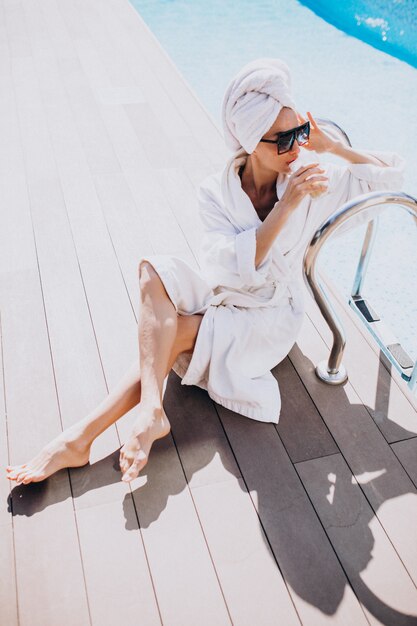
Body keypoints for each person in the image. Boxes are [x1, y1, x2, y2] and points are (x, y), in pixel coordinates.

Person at [6, 58, 405, 486]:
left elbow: (387, 182)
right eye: (284, 138)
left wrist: (332, 149)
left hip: (270, 314)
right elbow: (229, 270)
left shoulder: (310, 180)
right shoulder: (216, 192)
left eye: (301, 133)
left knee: (174, 332)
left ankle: (83, 437)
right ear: (252, 142)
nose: (297, 147)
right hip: (228, 290)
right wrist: (286, 209)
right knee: (151, 271)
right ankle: (144, 413)